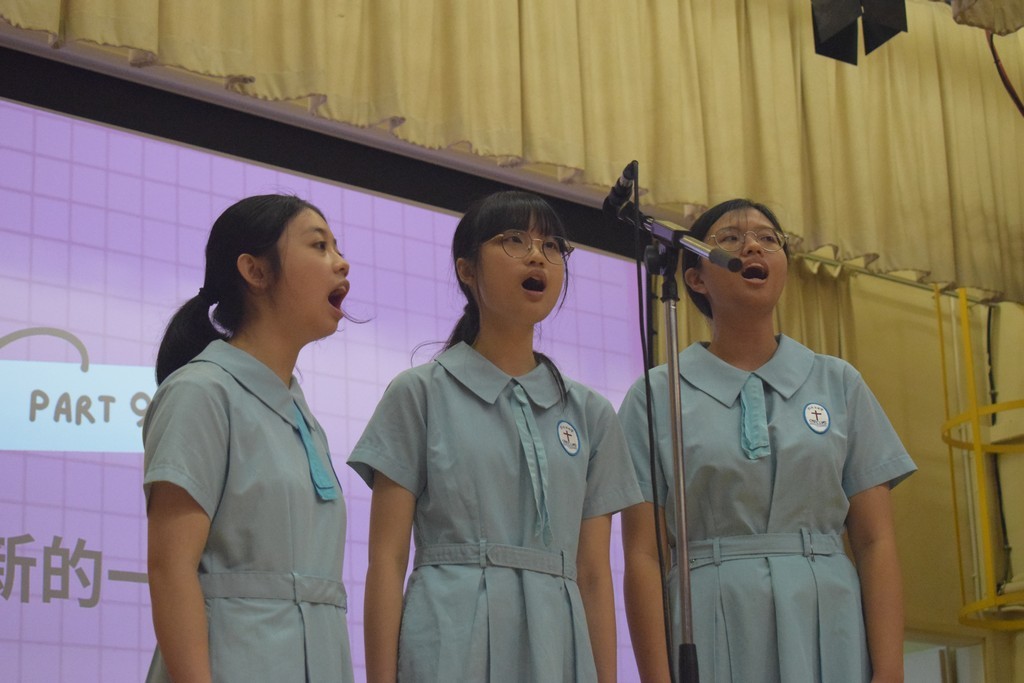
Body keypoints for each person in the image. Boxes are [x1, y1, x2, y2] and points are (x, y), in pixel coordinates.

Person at [348, 190, 643, 682]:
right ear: (467, 270)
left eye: (551, 245)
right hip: (449, 642)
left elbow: (593, 575)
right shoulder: (419, 393)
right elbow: (386, 560)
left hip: (557, 649)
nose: (537, 256)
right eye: (514, 240)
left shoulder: (590, 413)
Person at [618, 198, 916, 683]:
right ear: (695, 278)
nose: (752, 247)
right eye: (731, 239)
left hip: (829, 617)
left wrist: (890, 672)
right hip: (711, 615)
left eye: (768, 239)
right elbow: (643, 555)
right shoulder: (656, 395)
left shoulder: (838, 382)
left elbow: (875, 540)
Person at [143, 194, 355, 683]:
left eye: (337, 247)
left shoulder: (301, 413)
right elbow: (170, 569)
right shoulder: (201, 391)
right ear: (255, 272)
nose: (341, 263)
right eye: (319, 245)